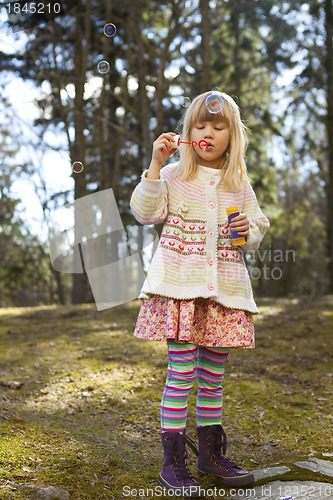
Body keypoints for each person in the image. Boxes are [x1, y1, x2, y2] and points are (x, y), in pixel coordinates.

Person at [130, 90, 270, 497]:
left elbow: (257, 224)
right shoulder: (174, 175)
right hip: (180, 292)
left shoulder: (238, 182)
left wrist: (248, 229)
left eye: (218, 125)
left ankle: (210, 455)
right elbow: (146, 212)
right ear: (188, 133)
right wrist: (155, 165)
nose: (208, 131)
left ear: (232, 136)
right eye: (200, 125)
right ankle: (172, 463)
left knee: (212, 379)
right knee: (182, 373)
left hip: (222, 294)